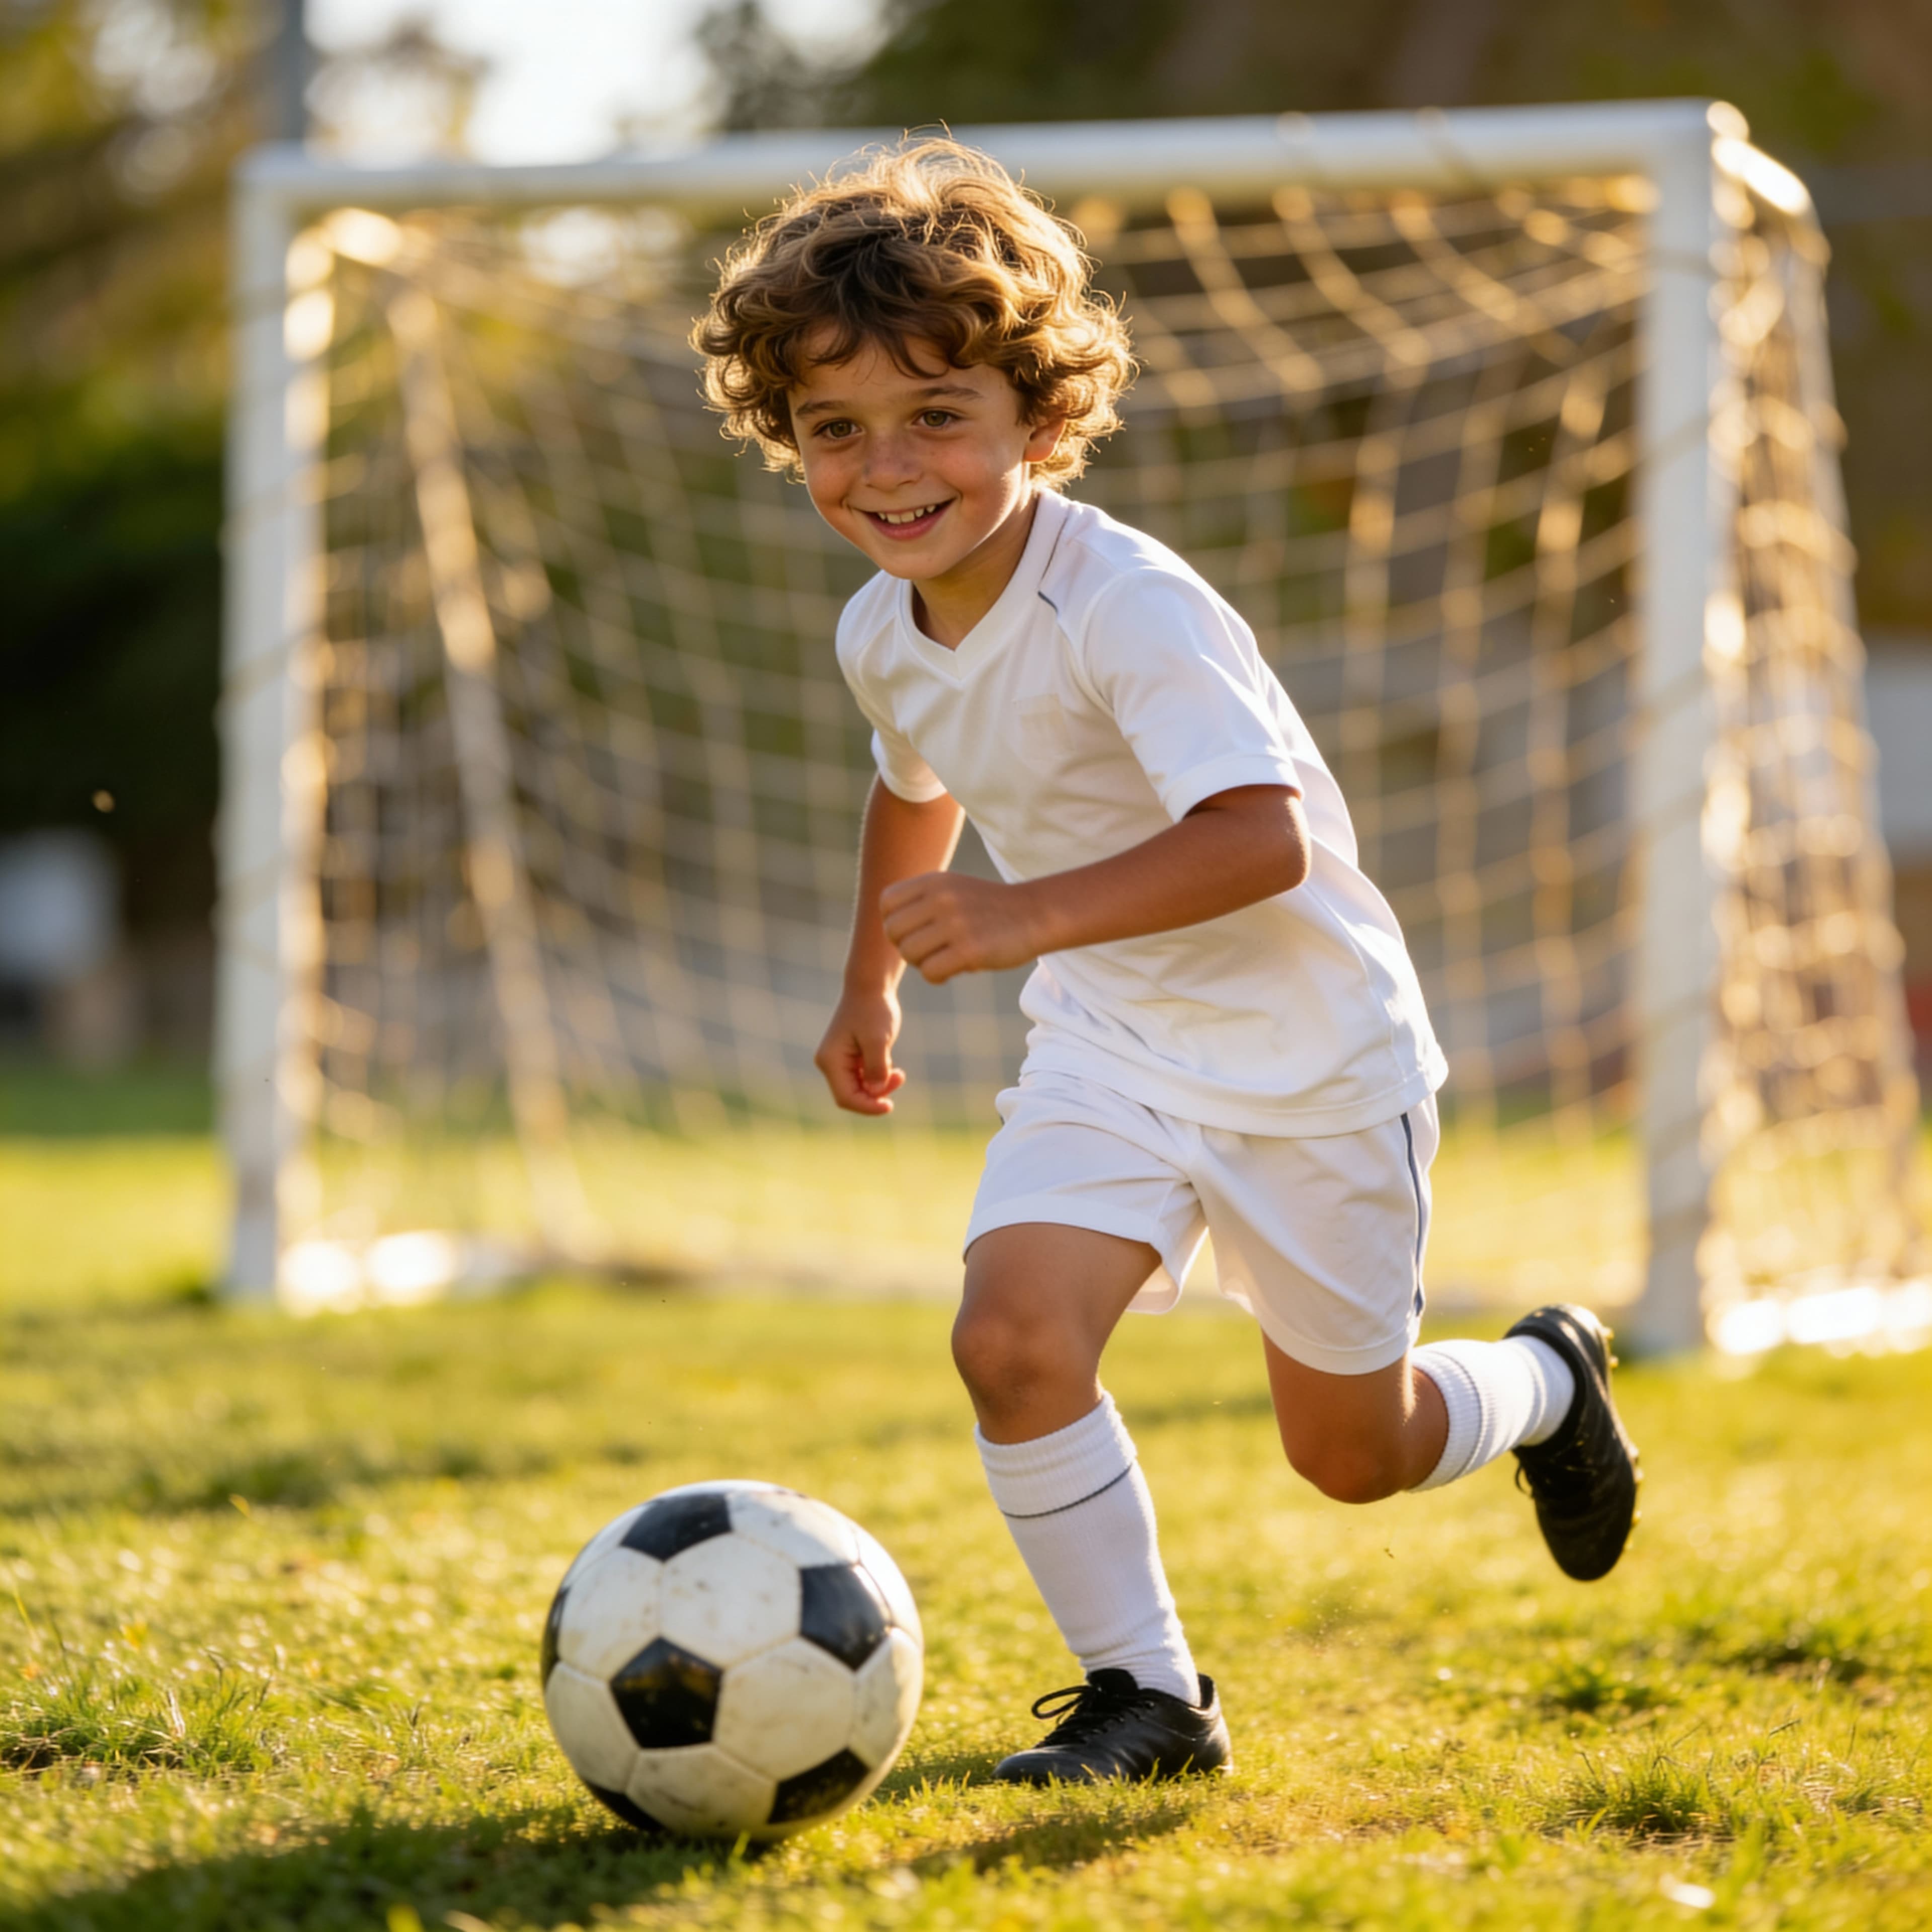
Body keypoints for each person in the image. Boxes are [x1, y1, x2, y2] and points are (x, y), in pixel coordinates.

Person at [693, 137, 1640, 1785]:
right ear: (789, 442)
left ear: (1040, 426)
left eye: (938, 418)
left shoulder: (1129, 604)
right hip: (1114, 1049)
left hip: (1311, 1060)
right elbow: (914, 783)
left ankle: (1543, 1380)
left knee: (1355, 1453)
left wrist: (1017, 919)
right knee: (1010, 1339)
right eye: (836, 431)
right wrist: (875, 980)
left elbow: (1260, 839)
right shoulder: (877, 630)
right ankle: (1151, 1699)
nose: (887, 467)